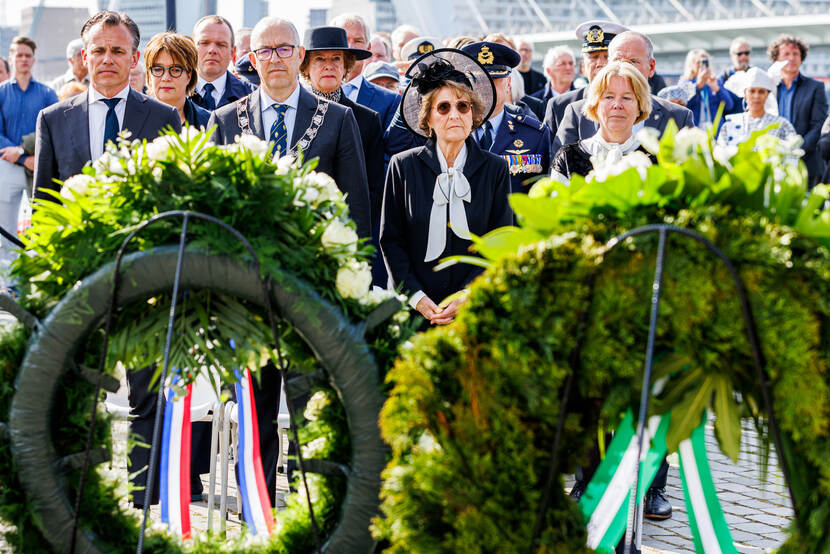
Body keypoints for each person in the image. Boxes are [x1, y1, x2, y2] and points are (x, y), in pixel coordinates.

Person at [34, 11, 181, 508]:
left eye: (118, 50)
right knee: (76, 393)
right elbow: (43, 211)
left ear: (134, 58)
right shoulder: (54, 119)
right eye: (98, 50)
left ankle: (144, 502)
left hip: (145, 284)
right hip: (79, 286)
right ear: (83, 57)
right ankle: (81, 496)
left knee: (147, 393)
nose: (107, 59)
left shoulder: (162, 119)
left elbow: (171, 204)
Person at [381, 48, 512, 327]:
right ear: (428, 118)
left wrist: (468, 294)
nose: (455, 114)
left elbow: (499, 243)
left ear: (473, 114)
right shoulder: (402, 166)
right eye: (444, 107)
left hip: (474, 311)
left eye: (463, 106)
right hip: (415, 313)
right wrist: (415, 296)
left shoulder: (495, 169)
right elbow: (391, 240)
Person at [207, 17, 371, 241]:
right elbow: (212, 205)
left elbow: (356, 206)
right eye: (265, 51)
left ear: (300, 54)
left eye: (284, 49)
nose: (275, 59)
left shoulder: (337, 118)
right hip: (244, 262)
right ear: (253, 60)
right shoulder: (225, 120)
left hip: (315, 261)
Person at [300, 26, 385, 285]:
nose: (328, 66)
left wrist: (355, 240)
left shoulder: (367, 120)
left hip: (349, 237)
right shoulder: (294, 115)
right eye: (319, 59)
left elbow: (373, 190)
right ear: (305, 67)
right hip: (301, 234)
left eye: (336, 58)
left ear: (347, 66)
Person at [555, 31, 694, 151]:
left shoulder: (678, 117)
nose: (625, 68)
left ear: (651, 67)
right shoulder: (577, 113)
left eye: (633, 61)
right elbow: (559, 172)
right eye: (618, 61)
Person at [0, 36, 58, 287]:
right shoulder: (1, 93)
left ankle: (40, 284)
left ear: (33, 59)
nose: (23, 60)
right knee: (7, 230)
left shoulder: (47, 93)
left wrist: (24, 151)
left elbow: (53, 128)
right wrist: (23, 157)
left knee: (43, 225)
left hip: (38, 166)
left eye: (27, 55)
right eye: (19, 55)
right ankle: (11, 287)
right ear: (11, 58)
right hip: (8, 167)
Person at [461, 41, 550, 193]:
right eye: (480, 80)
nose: (487, 87)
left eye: (494, 80)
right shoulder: (453, 130)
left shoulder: (534, 135)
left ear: (508, 83)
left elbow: (541, 194)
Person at [551, 61, 653, 183]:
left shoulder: (655, 158)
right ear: (595, 105)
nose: (617, 105)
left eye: (627, 98)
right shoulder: (568, 158)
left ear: (640, 107)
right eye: (609, 97)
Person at [544, 20, 628, 138]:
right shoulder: (559, 106)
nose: (600, 63)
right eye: (593, 57)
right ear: (584, 65)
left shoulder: (632, 102)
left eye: (606, 56)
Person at [768, 34, 827, 185]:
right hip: (774, 162)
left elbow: (818, 125)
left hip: (807, 164)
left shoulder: (815, 87)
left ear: (801, 58)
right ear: (776, 59)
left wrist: (796, 151)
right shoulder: (767, 89)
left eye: (796, 54)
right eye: (786, 54)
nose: (792, 58)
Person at [331, 13, 400, 130]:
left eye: (358, 41)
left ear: (368, 47)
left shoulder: (390, 100)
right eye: (345, 39)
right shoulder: (307, 96)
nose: (351, 47)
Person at [716, 66, 796, 148]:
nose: (756, 96)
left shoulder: (781, 125)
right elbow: (720, 155)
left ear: (767, 95)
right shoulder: (729, 125)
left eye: (761, 92)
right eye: (752, 91)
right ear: (745, 94)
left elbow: (793, 154)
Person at [144, 32, 211, 128]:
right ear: (149, 75)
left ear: (189, 76)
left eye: (175, 70)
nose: (166, 78)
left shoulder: (208, 122)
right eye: (158, 69)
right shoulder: (131, 119)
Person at [191, 15, 255, 111]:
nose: (212, 50)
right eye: (204, 43)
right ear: (192, 48)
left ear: (232, 52)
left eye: (221, 44)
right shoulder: (175, 93)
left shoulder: (253, 97)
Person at [679, 49, 735, 127]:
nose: (701, 65)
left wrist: (717, 89)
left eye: (704, 62)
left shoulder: (715, 80)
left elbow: (729, 105)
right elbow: (682, 104)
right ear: (691, 65)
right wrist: (697, 86)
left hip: (715, 130)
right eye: (698, 62)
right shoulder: (685, 82)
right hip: (694, 128)